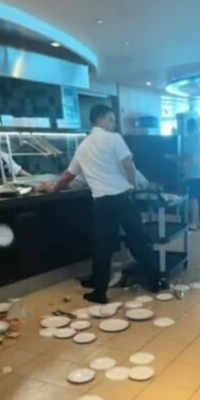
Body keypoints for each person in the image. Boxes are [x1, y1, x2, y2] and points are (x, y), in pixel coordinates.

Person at [40, 104, 162, 301]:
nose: (113, 124)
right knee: (138, 240)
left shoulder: (83, 146)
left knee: (102, 247)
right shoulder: (114, 139)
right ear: (102, 119)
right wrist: (133, 185)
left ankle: (100, 292)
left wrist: (53, 188)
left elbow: (67, 177)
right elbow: (128, 165)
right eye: (111, 119)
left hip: (102, 204)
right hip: (123, 199)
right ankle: (155, 283)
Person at [181, 118, 200, 230]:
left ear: (189, 126)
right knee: (197, 197)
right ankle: (197, 221)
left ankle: (193, 222)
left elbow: (187, 156)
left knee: (192, 198)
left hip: (192, 172)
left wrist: (180, 164)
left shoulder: (190, 138)